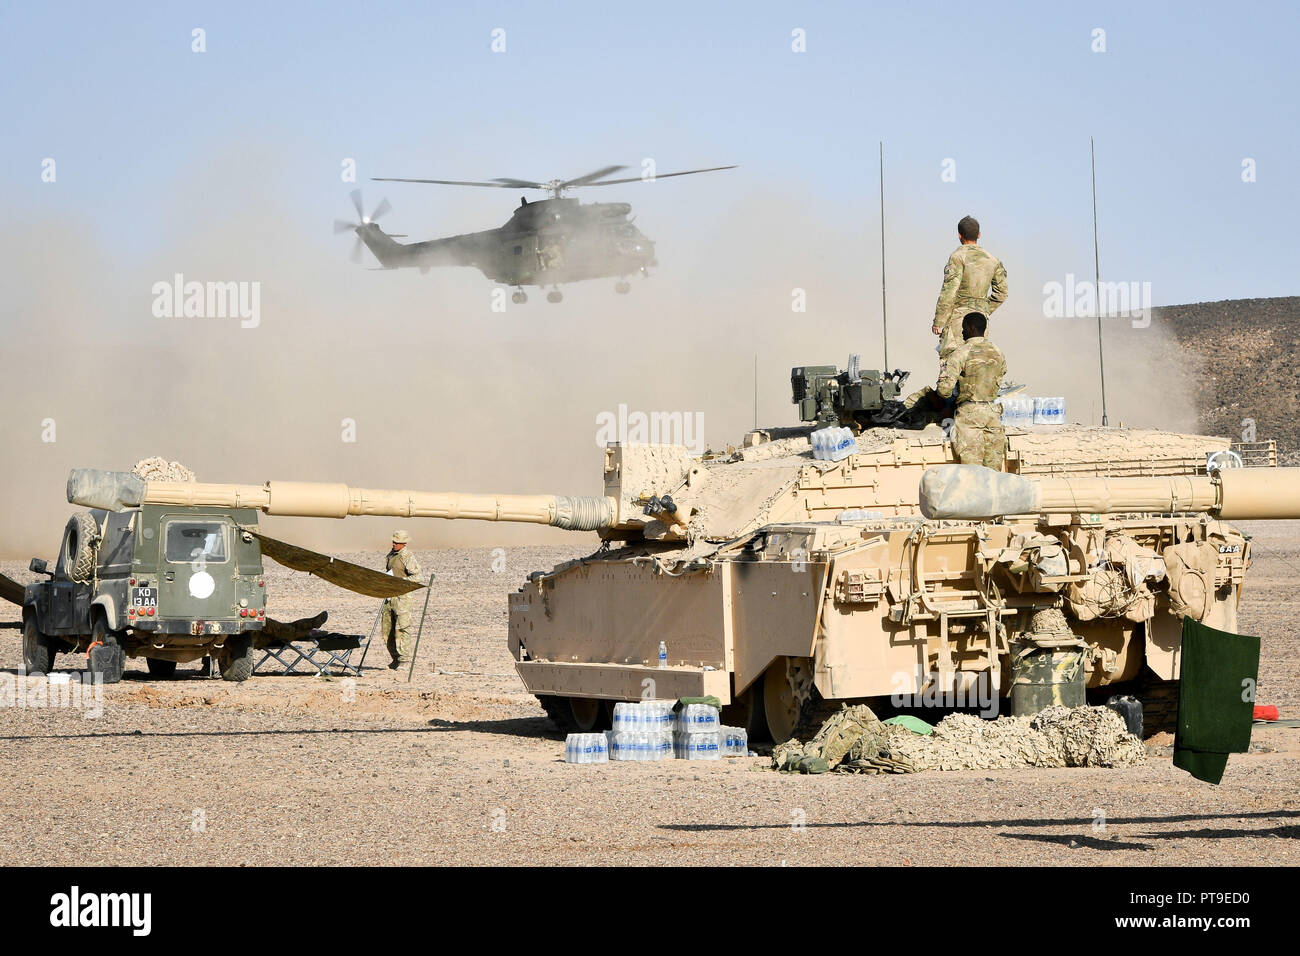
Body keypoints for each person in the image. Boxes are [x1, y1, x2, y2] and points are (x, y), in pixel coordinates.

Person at [932, 215, 1008, 366]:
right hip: (980, 323)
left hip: (957, 321)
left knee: (952, 364)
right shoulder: (993, 260)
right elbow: (1002, 293)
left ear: (959, 235)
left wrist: (938, 321)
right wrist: (983, 310)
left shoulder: (958, 257)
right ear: (979, 235)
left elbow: (949, 291)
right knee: (975, 363)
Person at [937, 311, 1007, 470]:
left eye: (964, 328)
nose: (962, 332)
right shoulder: (997, 351)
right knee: (993, 473)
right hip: (993, 413)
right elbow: (1001, 376)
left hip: (970, 416)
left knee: (973, 473)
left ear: (971, 328)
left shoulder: (961, 353)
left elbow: (944, 389)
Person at [380, 530, 422, 668]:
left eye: (396, 542)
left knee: (402, 628)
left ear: (403, 543)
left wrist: (400, 581)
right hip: (389, 597)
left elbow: (417, 577)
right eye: (393, 541)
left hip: (402, 598)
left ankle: (404, 660)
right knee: (387, 629)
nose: (393, 544)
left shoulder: (407, 556)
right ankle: (395, 658)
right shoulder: (391, 555)